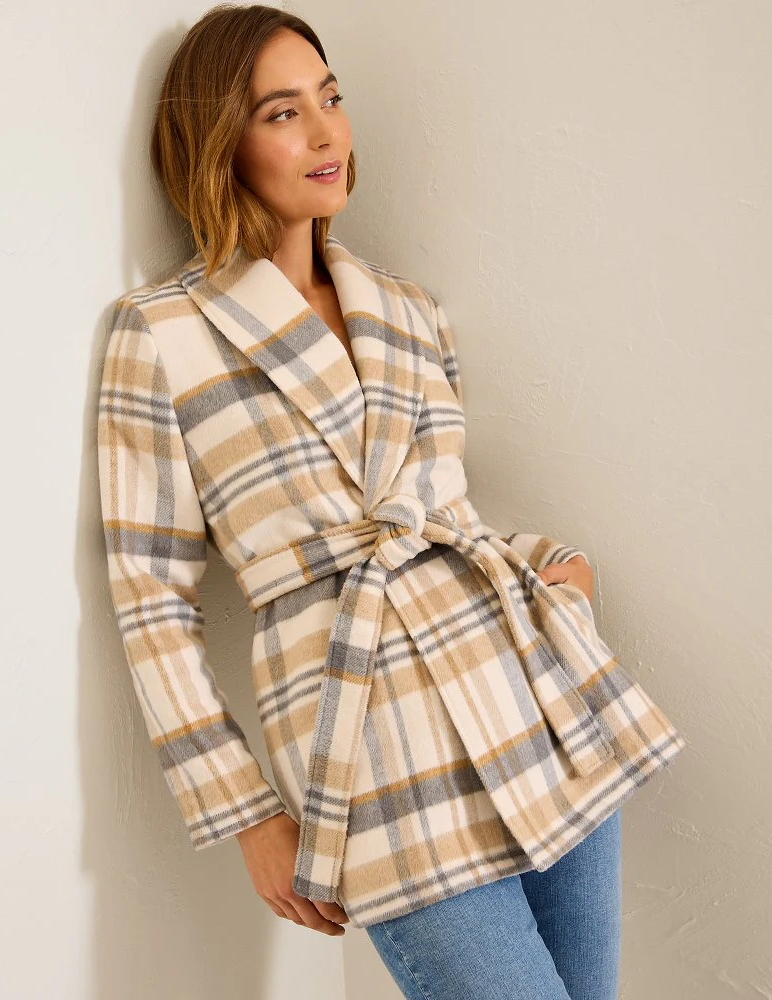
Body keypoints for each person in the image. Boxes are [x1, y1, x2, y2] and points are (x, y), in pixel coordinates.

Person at [97, 4, 687, 997]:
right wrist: (246, 811)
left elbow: (440, 515)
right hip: (371, 749)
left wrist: (557, 573)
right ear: (219, 142)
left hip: (530, 694)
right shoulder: (160, 334)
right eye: (283, 113)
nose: (325, 132)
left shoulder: (410, 312)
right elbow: (150, 599)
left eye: (329, 98)